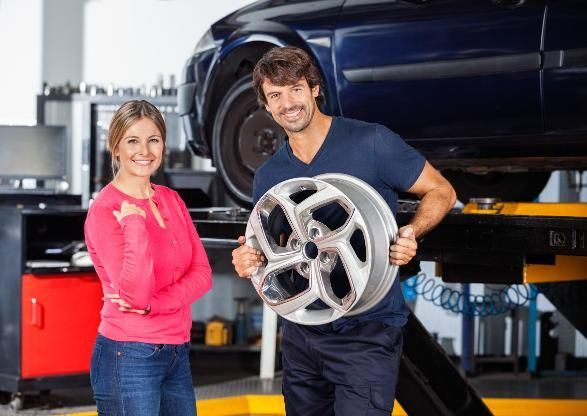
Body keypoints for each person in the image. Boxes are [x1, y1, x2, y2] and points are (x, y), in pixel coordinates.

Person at [231, 47, 456, 416]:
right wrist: (249, 258)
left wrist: (411, 232)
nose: (288, 103)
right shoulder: (269, 177)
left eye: (295, 89)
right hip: (304, 331)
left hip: (366, 332)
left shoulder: (371, 143)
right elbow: (272, 248)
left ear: (314, 89)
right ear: (266, 107)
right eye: (275, 95)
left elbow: (441, 190)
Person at [84, 100, 212, 415]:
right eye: (133, 141)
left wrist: (157, 304)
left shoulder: (171, 200)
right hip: (128, 356)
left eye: (153, 139)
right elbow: (136, 293)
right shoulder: (106, 210)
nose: (145, 150)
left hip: (176, 352)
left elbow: (202, 274)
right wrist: (134, 223)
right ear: (115, 147)